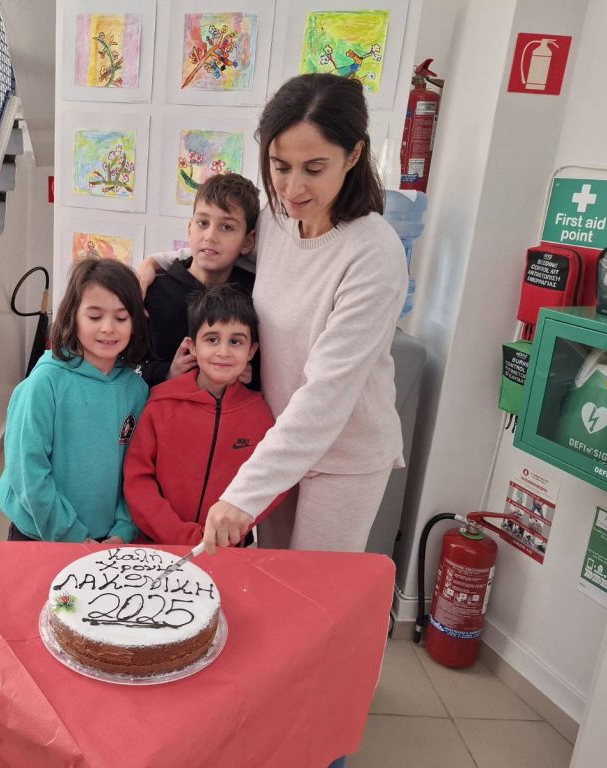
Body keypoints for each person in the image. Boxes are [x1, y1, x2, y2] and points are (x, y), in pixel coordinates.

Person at [139, 73, 407, 554]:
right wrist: (151, 266)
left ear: (353, 155)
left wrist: (243, 495)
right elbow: (215, 251)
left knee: (312, 589)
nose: (292, 187)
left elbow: (328, 393)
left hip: (342, 454)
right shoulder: (279, 220)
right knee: (273, 575)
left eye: (314, 168)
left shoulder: (373, 253)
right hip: (275, 438)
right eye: (280, 166)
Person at [0, 257, 150, 543]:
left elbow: (136, 470)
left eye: (121, 318)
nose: (108, 328)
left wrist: (123, 530)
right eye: (94, 317)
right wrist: (73, 536)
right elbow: (28, 474)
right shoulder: (44, 384)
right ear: (73, 317)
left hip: (108, 540)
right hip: (40, 536)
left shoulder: (136, 390)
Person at [124, 285, 285, 545]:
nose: (223, 352)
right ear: (192, 347)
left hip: (226, 549)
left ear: (251, 351)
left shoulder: (259, 416)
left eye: (235, 341)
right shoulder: (160, 404)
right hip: (156, 548)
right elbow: (137, 479)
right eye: (212, 339)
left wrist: (231, 530)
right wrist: (180, 535)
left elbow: (273, 481)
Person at [141, 172, 258, 388]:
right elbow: (133, 367)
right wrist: (167, 373)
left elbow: (261, 362)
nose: (210, 236)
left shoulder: (255, 295)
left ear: (248, 242)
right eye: (203, 223)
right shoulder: (155, 292)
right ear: (189, 228)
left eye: (227, 227)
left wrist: (251, 378)